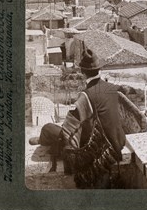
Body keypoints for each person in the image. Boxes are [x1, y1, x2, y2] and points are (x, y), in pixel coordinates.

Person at [29, 48, 127, 188]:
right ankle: (43, 139)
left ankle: (42, 140)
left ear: (82, 72)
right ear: (99, 70)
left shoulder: (86, 96)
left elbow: (68, 131)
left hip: (97, 147)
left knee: (48, 128)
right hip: (117, 143)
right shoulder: (114, 88)